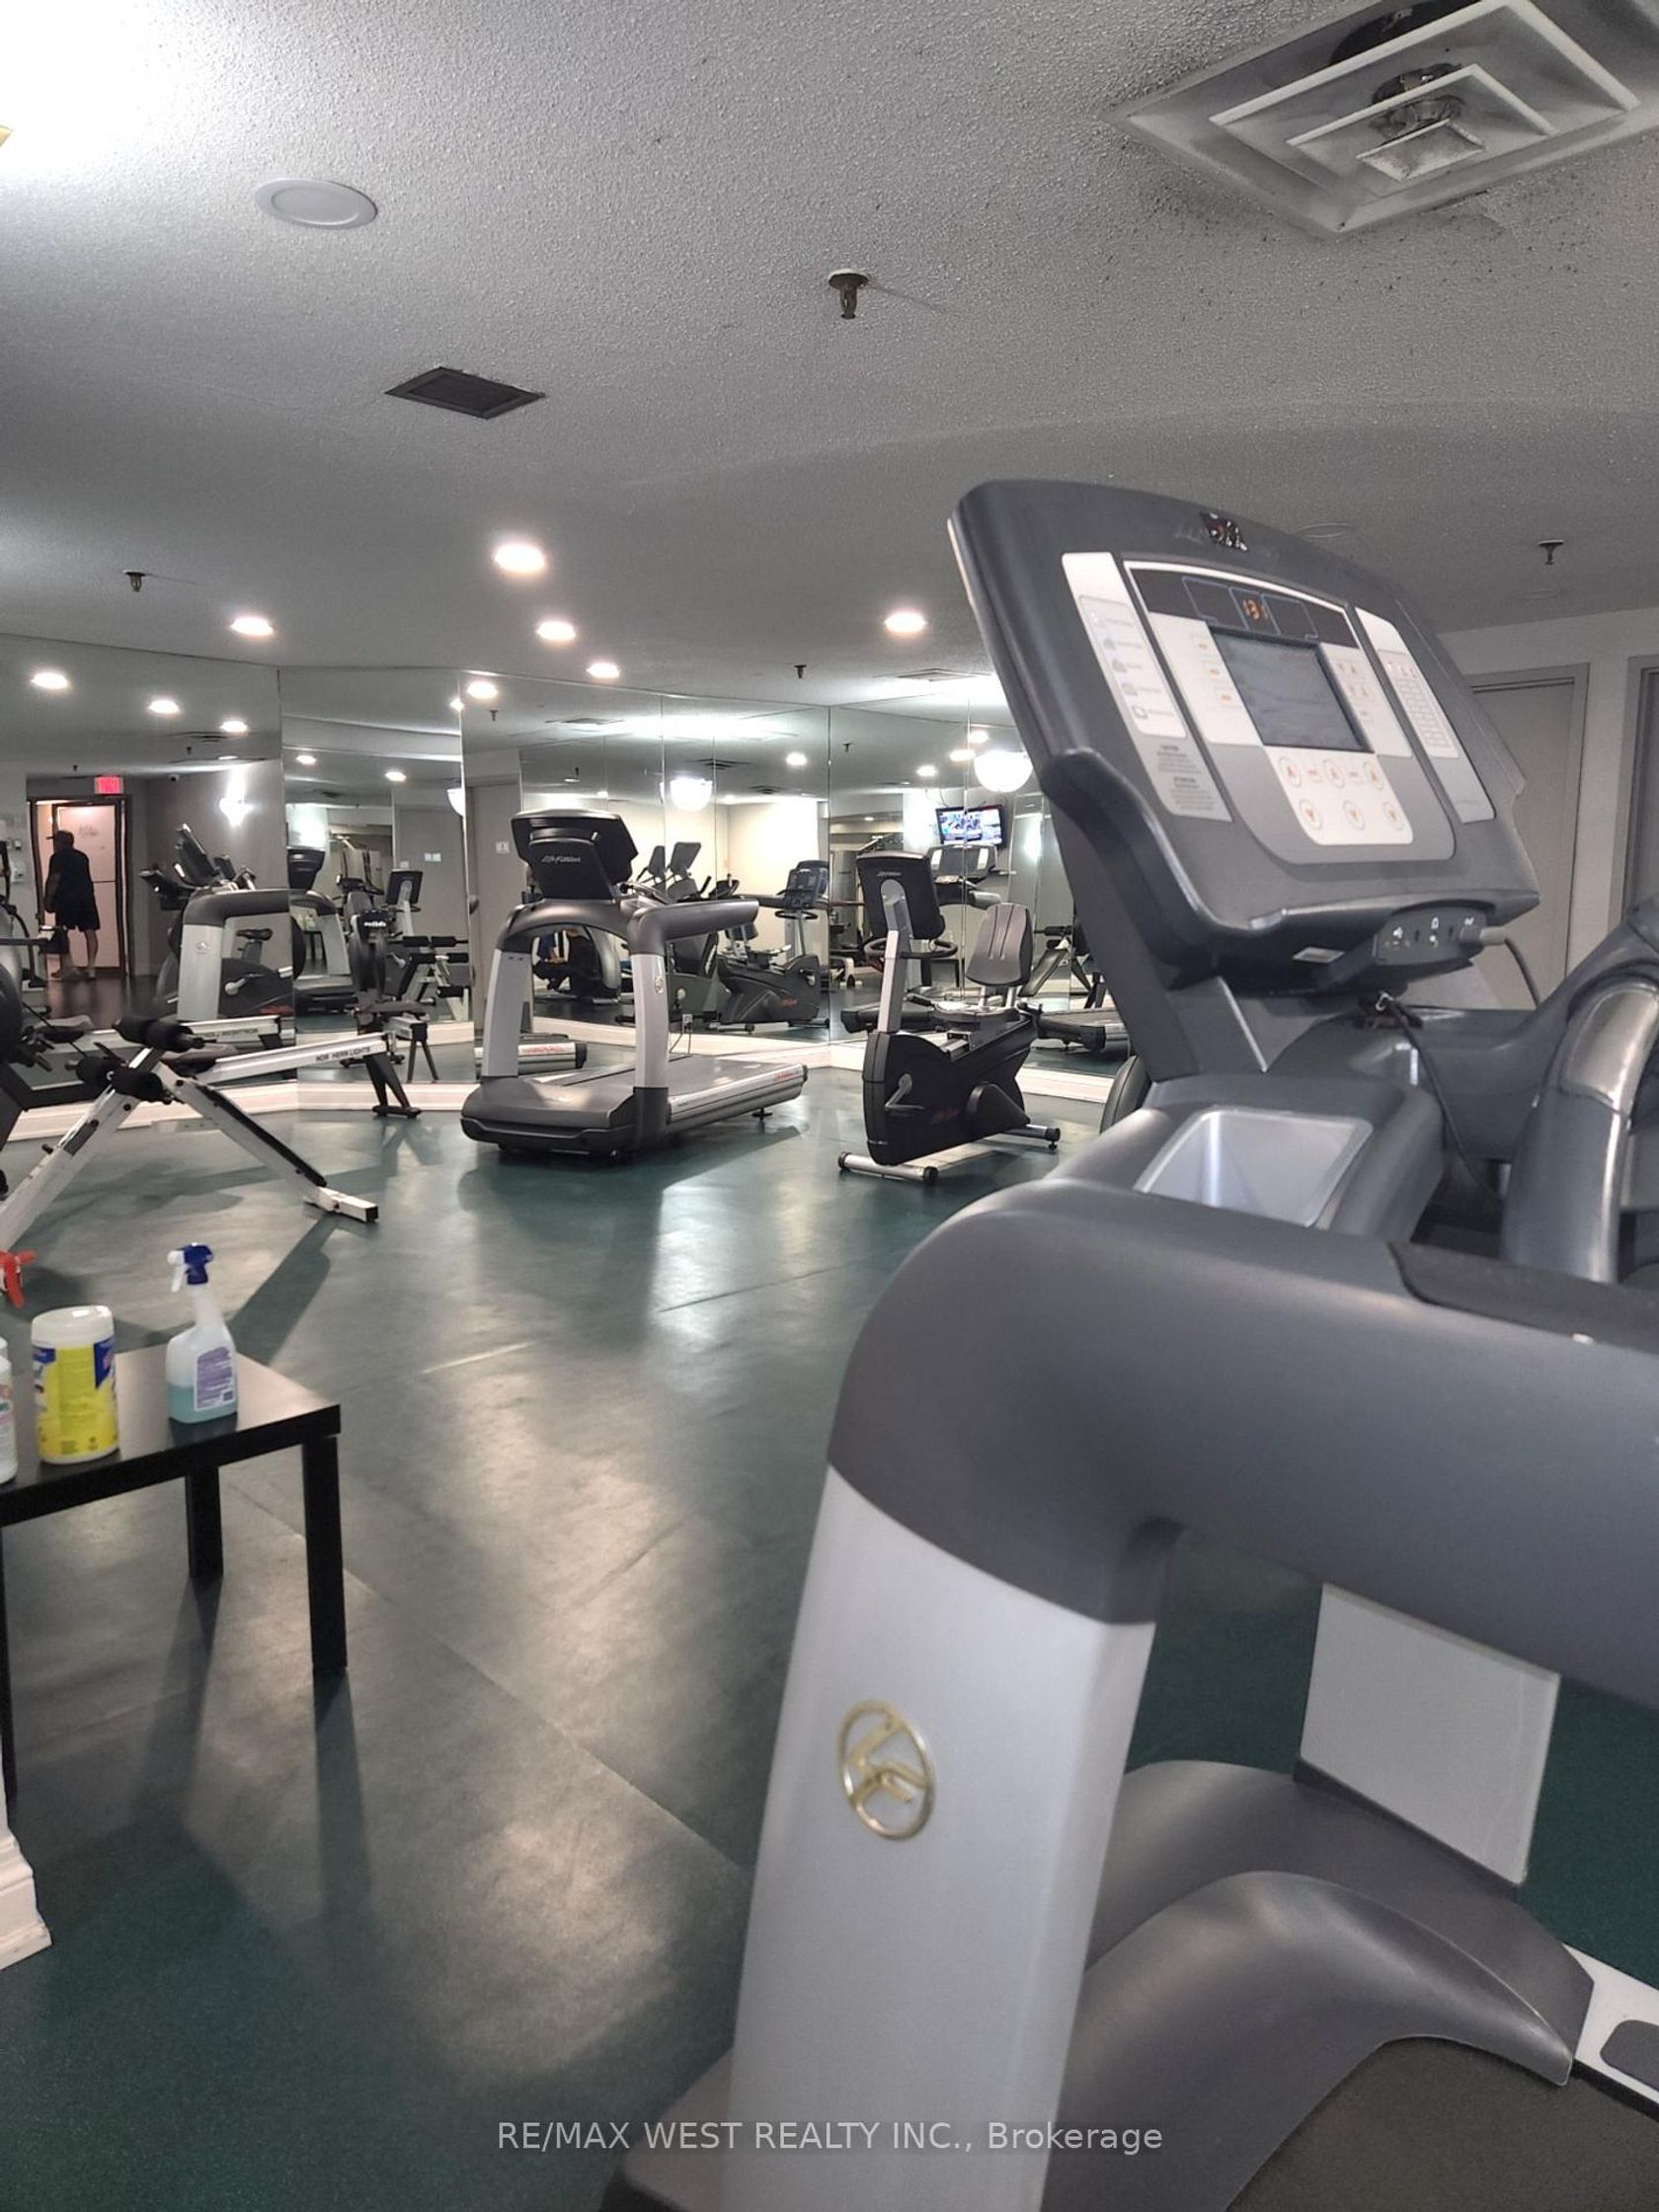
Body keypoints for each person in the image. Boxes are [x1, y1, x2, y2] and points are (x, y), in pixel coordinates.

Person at [42, 830, 100, 981]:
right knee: (90, 931)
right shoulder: (82, 856)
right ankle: (91, 967)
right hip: (86, 897)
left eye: (55, 841)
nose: (54, 844)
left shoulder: (57, 858)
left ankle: (68, 966)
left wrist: (48, 898)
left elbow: (54, 879)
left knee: (62, 931)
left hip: (66, 899)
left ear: (61, 843)